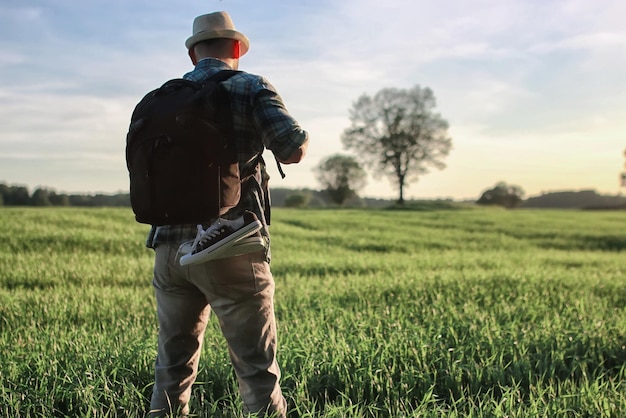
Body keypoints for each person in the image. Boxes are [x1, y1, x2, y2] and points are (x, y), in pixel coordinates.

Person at [145, 11, 309, 417]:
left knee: (172, 368)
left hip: (169, 250)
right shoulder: (250, 86)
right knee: (256, 371)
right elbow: (291, 148)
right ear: (236, 48)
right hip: (229, 244)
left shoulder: (160, 99)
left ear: (192, 55)